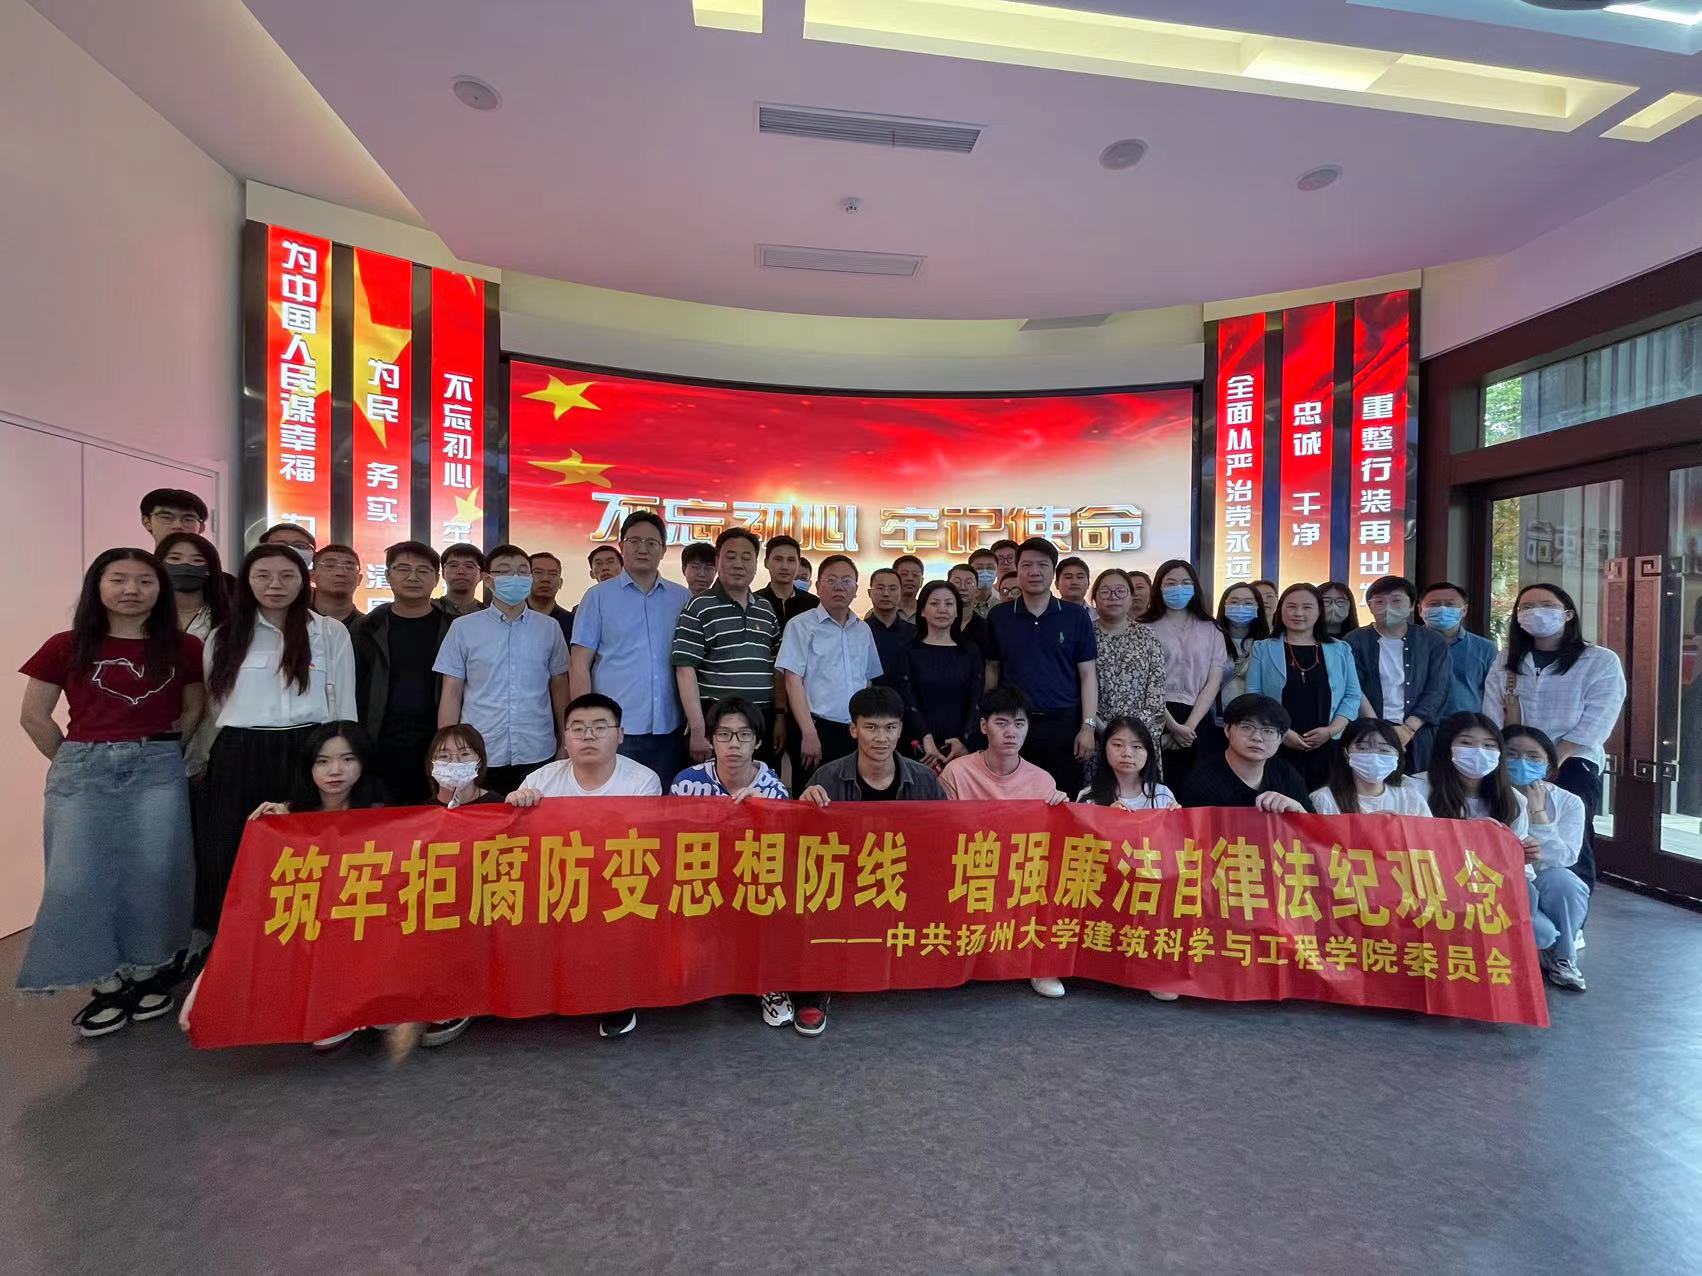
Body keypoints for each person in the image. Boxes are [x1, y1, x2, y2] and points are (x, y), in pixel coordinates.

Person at [17, 548, 204, 1037]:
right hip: (84, 764)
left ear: (160, 590)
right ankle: (104, 980)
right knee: (77, 876)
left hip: (157, 764)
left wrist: (162, 752)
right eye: (118, 579)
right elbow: (33, 715)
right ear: (97, 587)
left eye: (144, 581)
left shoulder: (183, 648)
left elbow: (193, 709)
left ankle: (145, 970)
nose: (131, 590)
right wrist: (70, 759)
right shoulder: (66, 645)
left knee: (157, 873)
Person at [251, 722, 461, 1052]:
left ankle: (380, 997)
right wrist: (268, 830)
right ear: (309, 766)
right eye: (323, 761)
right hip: (316, 930)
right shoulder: (289, 816)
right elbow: (256, 896)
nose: (335, 770)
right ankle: (330, 1004)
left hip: (369, 924)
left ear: (363, 763)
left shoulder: (381, 815)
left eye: (347, 759)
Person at [198, 544, 355, 933]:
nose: (275, 585)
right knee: (237, 848)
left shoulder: (328, 632)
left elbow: (344, 705)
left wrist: (342, 759)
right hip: (241, 752)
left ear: (303, 581)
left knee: (309, 849)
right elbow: (216, 706)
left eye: (287, 576)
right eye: (262, 576)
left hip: (310, 750)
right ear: (247, 581)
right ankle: (239, 938)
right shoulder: (223, 637)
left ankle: (307, 935)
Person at [508, 693, 662, 1040]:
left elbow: (638, 849)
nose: (588, 735)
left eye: (599, 727)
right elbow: (515, 845)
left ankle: (618, 997)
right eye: (577, 728)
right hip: (557, 881)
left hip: (613, 882)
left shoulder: (643, 781)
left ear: (620, 734)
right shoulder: (539, 781)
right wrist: (514, 808)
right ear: (565, 738)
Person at [797, 686, 946, 1036]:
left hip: (904, 879)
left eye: (890, 728)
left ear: (900, 729)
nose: (882, 738)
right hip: (845, 882)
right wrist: (803, 808)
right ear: (853, 729)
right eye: (871, 728)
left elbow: (946, 837)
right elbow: (800, 846)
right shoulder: (827, 778)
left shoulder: (923, 779)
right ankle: (815, 988)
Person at [1483, 582, 1626, 892]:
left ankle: (1572, 904)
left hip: (1573, 759)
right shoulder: (1507, 659)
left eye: (1547, 606)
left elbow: (1599, 718)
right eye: (1526, 607)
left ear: (1568, 614)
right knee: (1512, 826)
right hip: (1513, 758)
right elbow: (1492, 710)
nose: (1536, 613)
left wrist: (1551, 761)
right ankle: (1517, 902)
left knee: (1569, 832)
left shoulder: (1599, 660)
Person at [938, 686, 1069, 997]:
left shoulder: (1043, 781)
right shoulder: (956, 772)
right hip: (971, 869)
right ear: (984, 726)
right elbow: (942, 835)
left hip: (1020, 872)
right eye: (1002, 723)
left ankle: (1040, 963)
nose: (1011, 732)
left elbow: (1050, 844)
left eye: (1019, 724)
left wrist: (1064, 815)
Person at [433, 544, 570, 795]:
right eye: (505, 571)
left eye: (522, 572)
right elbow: (451, 692)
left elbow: (559, 686)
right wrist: (446, 749)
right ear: (488, 580)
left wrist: (565, 739)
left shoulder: (549, 628)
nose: (515, 578)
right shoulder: (463, 628)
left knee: (536, 816)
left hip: (537, 748)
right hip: (479, 751)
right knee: (482, 817)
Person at [570, 510, 691, 784]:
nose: (642, 549)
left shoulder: (681, 597)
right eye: (634, 541)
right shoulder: (598, 597)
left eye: (651, 543)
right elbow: (579, 663)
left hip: (671, 727)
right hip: (615, 729)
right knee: (616, 805)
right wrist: (583, 721)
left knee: (666, 803)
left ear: (663, 550)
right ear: (621, 546)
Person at [984, 537, 1099, 794]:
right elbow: (992, 670)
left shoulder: (1075, 616)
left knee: (1062, 797)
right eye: (1026, 565)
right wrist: (989, 720)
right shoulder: (999, 616)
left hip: (1064, 725)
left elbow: (1088, 675)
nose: (1034, 572)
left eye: (1042, 565)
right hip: (1013, 725)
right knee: (1011, 797)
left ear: (1053, 571)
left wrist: (1087, 727)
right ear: (1017, 569)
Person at [352, 541, 454, 804]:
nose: (412, 577)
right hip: (380, 742)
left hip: (437, 742)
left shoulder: (455, 629)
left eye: (423, 570)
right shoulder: (365, 629)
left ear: (436, 579)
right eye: (403, 569)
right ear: (388, 575)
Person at [673, 527, 782, 764]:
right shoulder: (698, 607)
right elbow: (684, 669)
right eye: (730, 557)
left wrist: (780, 718)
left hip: (761, 717)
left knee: (758, 783)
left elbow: (776, 667)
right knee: (714, 785)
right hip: (716, 718)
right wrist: (698, 728)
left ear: (756, 564)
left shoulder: (765, 608)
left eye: (746, 558)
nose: (738, 564)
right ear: (718, 561)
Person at [1246, 583, 1361, 791]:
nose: (1298, 613)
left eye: (1307, 607)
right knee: (1279, 802)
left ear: (1319, 611)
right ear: (1281, 609)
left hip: (1328, 745)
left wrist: (1331, 731)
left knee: (1325, 803)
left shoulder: (1341, 649)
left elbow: (1352, 696)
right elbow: (1254, 696)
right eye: (1291, 606)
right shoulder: (1263, 648)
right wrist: (1282, 732)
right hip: (1277, 743)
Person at [778, 553, 885, 772]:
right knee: (812, 790)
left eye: (846, 581)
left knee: (853, 791)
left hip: (855, 729)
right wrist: (808, 732)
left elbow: (867, 680)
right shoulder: (800, 625)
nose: (839, 587)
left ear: (856, 589)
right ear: (818, 586)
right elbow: (792, 680)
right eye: (831, 580)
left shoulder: (863, 629)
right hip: (816, 727)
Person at [1504, 725, 1591, 992]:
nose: (1521, 763)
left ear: (1549, 765)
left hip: (1543, 877)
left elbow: (1565, 856)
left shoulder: (1568, 802)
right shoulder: (1488, 792)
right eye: (1511, 754)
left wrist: (1538, 813)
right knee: (1543, 934)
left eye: (1533, 757)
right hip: (1500, 879)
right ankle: (1544, 946)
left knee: (1566, 883)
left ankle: (1563, 958)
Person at [1346, 575, 1448, 772]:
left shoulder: (1432, 641)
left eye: (1396, 601)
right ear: (1370, 606)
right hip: (1369, 729)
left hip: (1418, 730)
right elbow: (1354, 687)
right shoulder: (1354, 640)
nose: (1388, 607)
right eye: (1379, 602)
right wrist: (1377, 729)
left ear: (1411, 606)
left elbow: (1438, 688)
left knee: (1418, 783)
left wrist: (1409, 728)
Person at [1140, 559, 1223, 790]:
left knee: (1196, 789)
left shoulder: (1211, 628)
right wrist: (1173, 727)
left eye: (1186, 582)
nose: (1179, 588)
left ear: (1195, 587)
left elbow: (1213, 680)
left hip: (1198, 717)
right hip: (1156, 715)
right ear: (1159, 587)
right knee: (1156, 788)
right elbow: (1144, 681)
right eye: (1171, 582)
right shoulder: (1143, 627)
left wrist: (1188, 727)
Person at [158, 532, 230, 780]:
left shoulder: (229, 621)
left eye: (197, 560)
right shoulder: (144, 619)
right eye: (175, 559)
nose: (186, 566)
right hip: (155, 728)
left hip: (214, 727)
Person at [899, 580, 984, 772]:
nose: (942, 609)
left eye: (949, 603)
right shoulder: (908, 651)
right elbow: (906, 699)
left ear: (957, 611)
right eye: (934, 603)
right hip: (919, 746)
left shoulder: (970, 651)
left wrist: (964, 740)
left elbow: (976, 699)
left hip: (961, 747)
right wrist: (924, 736)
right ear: (922, 611)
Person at [1177, 694, 1312, 812]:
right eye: (1247, 727)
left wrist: (1299, 810)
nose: (1257, 737)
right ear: (1227, 729)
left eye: (1268, 731)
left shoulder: (1286, 774)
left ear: (1281, 739)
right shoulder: (1201, 780)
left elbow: (1313, 828)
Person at [1089, 568, 1168, 751]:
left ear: (1131, 597)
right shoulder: (1085, 635)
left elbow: (1157, 692)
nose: (1113, 597)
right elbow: (1079, 688)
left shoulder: (1147, 635)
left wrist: (1134, 735)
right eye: (1105, 592)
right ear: (1094, 598)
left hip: (1141, 738)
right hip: (1097, 736)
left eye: (1120, 591)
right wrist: (1107, 733)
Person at [669, 697, 789, 799]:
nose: (734, 744)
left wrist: (764, 808)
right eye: (724, 734)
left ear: (758, 742)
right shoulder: (686, 783)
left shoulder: (774, 791)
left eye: (744, 734)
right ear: (710, 740)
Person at [1309, 718, 1431, 815]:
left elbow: (1428, 838)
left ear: (1397, 755)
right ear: (1345, 753)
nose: (1374, 756)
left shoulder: (1410, 800)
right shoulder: (1325, 799)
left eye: (1383, 750)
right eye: (1363, 748)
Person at [1420, 580, 1498, 719]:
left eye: (1450, 604)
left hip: (1467, 725)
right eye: (1434, 604)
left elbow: (1494, 694)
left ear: (1464, 610)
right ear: (1420, 610)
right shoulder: (1407, 644)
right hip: (1417, 725)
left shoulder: (1485, 648)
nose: (1442, 609)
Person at [1079, 716, 1177, 810]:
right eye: (1118, 745)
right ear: (1104, 749)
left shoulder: (1162, 795)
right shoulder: (1089, 797)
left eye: (1136, 746)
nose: (1127, 753)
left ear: (1148, 752)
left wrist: (1176, 817)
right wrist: (1108, 816)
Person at [1213, 583, 1268, 719]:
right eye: (1234, 602)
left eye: (1248, 603)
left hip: (1256, 719)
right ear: (1224, 605)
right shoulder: (1212, 639)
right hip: (1216, 718)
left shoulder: (1266, 645)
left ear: (1258, 607)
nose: (1241, 607)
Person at [426, 723, 505, 808]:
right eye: (444, 756)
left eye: (464, 754)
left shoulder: (499, 806)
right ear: (431, 765)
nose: (454, 762)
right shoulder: (424, 812)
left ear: (479, 762)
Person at [865, 567, 917, 685]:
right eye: (880, 588)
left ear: (901, 593)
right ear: (869, 592)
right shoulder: (860, 631)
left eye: (892, 589)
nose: (886, 594)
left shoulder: (914, 633)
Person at [756, 534, 820, 631]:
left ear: (798, 563)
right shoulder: (754, 602)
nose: (784, 566)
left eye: (791, 560)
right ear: (766, 563)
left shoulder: (814, 604)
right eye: (778, 559)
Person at [526, 551, 575, 645]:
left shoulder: (572, 622)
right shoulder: (512, 616)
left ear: (560, 583)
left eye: (553, 574)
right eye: (538, 573)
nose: (545, 579)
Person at [310, 543, 365, 627]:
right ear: (312, 576)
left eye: (349, 567)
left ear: (359, 579)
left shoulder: (370, 627)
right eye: (330, 566)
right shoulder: (295, 620)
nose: (340, 573)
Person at [139, 488, 208, 545]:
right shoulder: (134, 557)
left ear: (201, 527)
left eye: (188, 519)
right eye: (166, 517)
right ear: (147, 522)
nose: (178, 526)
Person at [438, 543, 486, 616]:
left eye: (469, 566)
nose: (461, 572)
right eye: (453, 565)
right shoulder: (427, 609)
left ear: (481, 576)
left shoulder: (490, 615)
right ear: (443, 573)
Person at [892, 554, 924, 621]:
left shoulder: (929, 612)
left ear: (921, 581)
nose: (910, 578)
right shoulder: (879, 612)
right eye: (904, 574)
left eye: (915, 575)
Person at [969, 548, 999, 618]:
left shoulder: (1002, 602)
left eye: (990, 568)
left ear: (997, 571)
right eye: (979, 568)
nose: (985, 572)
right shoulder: (960, 603)